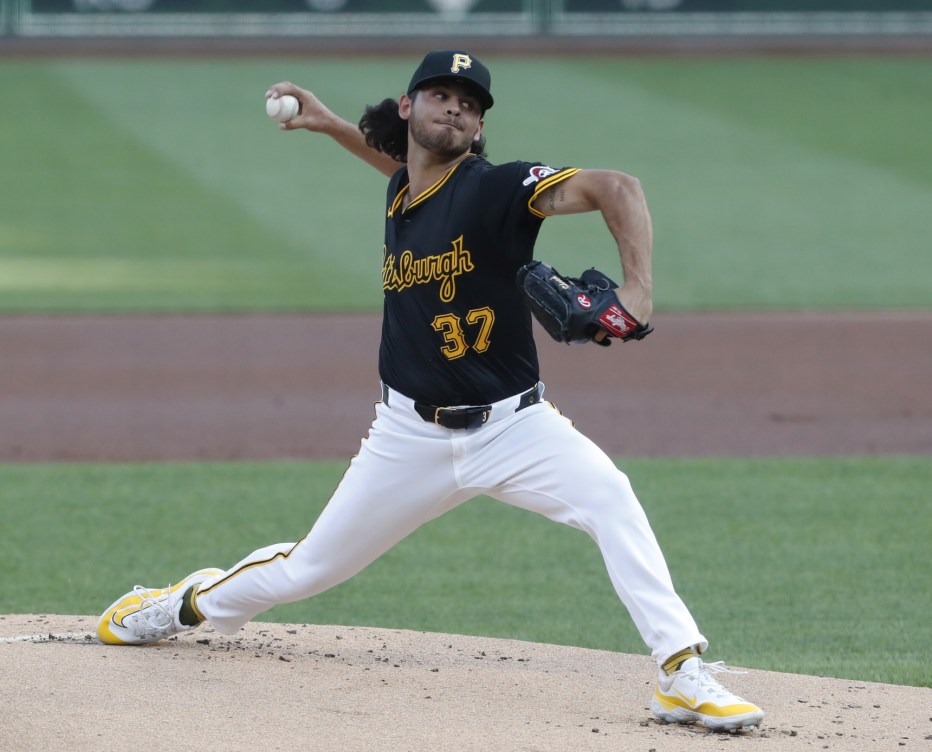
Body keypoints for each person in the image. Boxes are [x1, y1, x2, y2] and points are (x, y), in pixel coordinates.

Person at [96, 49, 764, 733]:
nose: (457, 107)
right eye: (442, 94)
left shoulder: (499, 188)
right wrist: (329, 124)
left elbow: (618, 186)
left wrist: (638, 293)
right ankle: (185, 602)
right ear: (409, 107)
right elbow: (400, 169)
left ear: (477, 130)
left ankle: (681, 670)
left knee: (610, 498)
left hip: (516, 429)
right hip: (407, 439)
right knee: (306, 571)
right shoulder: (403, 192)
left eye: (471, 104)